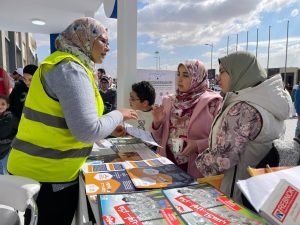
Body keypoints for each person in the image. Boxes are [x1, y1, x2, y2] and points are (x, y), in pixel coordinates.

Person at [7, 17, 138, 225]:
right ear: (84, 38)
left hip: (39, 170)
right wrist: (119, 114)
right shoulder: (71, 69)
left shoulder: (67, 65)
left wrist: (109, 128)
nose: (108, 48)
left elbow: (70, 120)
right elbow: (87, 131)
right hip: (46, 176)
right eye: (103, 40)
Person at [195, 51, 292, 203]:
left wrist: (198, 162)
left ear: (239, 72)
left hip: (234, 194)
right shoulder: (267, 103)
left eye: (222, 71)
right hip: (254, 192)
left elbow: (223, 159)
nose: (218, 77)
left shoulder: (242, 110)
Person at [151, 59, 222, 178]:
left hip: (196, 168)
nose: (179, 79)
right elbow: (158, 139)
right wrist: (157, 124)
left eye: (186, 75)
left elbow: (221, 138)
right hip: (167, 164)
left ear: (197, 77)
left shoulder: (213, 103)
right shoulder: (169, 101)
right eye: (178, 74)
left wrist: (198, 145)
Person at [0, 95, 18, 174]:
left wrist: (7, 141)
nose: (0, 106)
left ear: (8, 106)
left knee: (7, 173)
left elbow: (18, 132)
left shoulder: (11, 118)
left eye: (3, 104)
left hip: (6, 151)